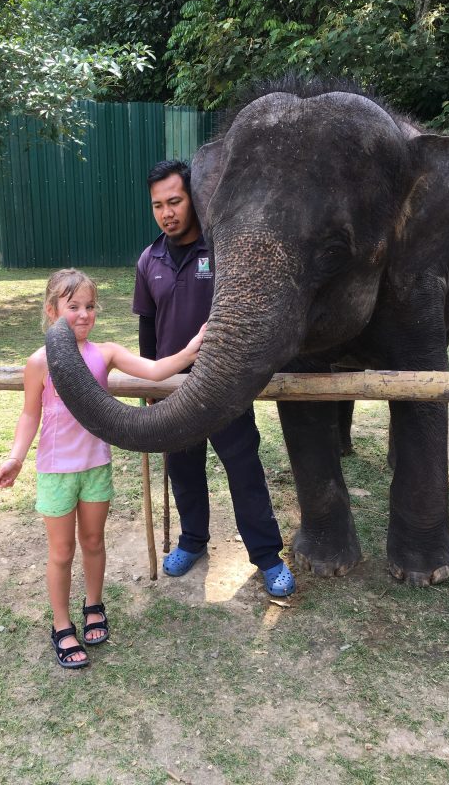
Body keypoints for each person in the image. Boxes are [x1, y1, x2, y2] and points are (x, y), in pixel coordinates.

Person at [0, 268, 205, 669]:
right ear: (52, 311)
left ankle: (94, 605)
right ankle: (61, 624)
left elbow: (157, 370)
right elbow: (29, 415)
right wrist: (16, 457)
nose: (84, 314)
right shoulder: (39, 362)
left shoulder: (104, 353)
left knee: (93, 542)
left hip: (96, 467)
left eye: (90, 306)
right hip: (56, 470)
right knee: (61, 552)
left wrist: (193, 347)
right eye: (73, 306)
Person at [133, 160, 296, 597]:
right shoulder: (150, 260)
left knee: (244, 471)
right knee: (183, 472)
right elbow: (148, 328)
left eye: (175, 201)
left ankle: (266, 557)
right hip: (171, 389)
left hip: (224, 386)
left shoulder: (224, 251)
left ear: (193, 198)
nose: (167, 213)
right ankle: (192, 541)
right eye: (158, 205)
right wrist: (149, 387)